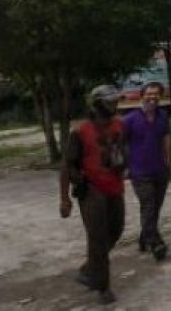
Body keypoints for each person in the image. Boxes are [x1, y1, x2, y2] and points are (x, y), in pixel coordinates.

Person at [60, 84, 126, 305]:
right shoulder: (80, 132)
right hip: (91, 190)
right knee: (97, 238)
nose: (115, 105)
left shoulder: (119, 125)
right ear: (97, 104)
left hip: (115, 186)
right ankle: (103, 287)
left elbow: (122, 151)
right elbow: (67, 165)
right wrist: (64, 199)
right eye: (110, 102)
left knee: (116, 230)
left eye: (116, 101)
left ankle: (90, 267)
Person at [122, 81, 171, 260]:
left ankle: (144, 237)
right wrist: (125, 166)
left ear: (160, 96)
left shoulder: (163, 116)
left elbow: (166, 137)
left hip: (160, 169)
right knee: (149, 205)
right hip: (139, 171)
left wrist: (168, 161)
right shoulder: (129, 119)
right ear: (142, 96)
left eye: (156, 94)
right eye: (149, 94)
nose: (153, 97)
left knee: (154, 207)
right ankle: (156, 243)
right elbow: (120, 144)